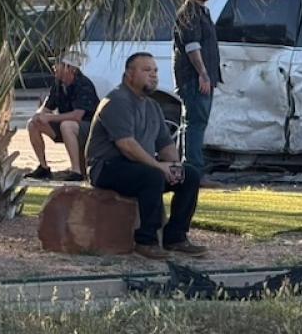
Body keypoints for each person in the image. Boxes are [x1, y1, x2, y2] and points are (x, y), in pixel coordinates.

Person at [87, 52, 206, 260]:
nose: (153, 75)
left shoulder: (152, 106)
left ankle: (175, 237)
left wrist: (174, 167)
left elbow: (165, 144)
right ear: (129, 74)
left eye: (155, 71)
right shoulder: (116, 101)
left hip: (139, 165)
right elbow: (126, 145)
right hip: (106, 167)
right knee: (152, 176)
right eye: (146, 70)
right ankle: (146, 241)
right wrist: (159, 167)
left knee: (190, 175)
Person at [173, 0, 221, 178]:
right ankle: (193, 171)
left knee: (193, 123)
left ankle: (185, 169)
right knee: (195, 124)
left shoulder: (203, 12)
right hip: (194, 78)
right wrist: (203, 73)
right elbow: (192, 46)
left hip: (204, 77)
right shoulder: (189, 13)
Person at [28, 52, 99, 181]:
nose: (54, 67)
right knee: (33, 124)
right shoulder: (58, 84)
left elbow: (77, 116)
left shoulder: (84, 84)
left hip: (88, 129)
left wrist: (49, 117)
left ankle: (76, 171)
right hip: (65, 127)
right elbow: (47, 107)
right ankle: (43, 168)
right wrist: (39, 115)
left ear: (70, 68)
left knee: (67, 125)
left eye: (58, 64)